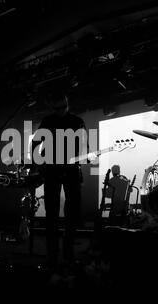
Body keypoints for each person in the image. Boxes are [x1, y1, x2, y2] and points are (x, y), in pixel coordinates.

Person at [32, 90, 95, 268]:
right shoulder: (48, 121)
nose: (61, 110)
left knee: (72, 213)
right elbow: (36, 143)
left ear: (68, 105)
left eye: (64, 106)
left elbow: (84, 147)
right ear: (53, 107)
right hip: (51, 170)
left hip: (71, 170)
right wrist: (38, 164)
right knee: (51, 212)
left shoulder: (77, 121)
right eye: (58, 107)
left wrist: (86, 156)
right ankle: (52, 254)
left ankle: (68, 252)